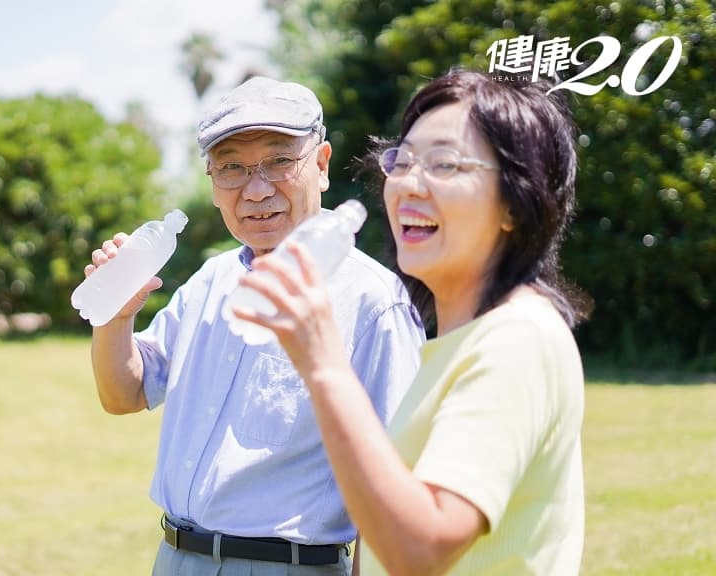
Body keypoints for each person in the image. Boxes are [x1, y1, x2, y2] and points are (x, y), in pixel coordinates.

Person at [232, 69, 591, 575]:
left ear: (516, 201)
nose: (407, 184)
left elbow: (421, 549)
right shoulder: (458, 341)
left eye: (445, 164)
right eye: (402, 160)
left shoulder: (517, 339)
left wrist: (324, 364)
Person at [83, 76, 425, 575]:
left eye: (279, 161)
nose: (256, 189)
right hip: (176, 559)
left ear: (323, 165)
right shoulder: (209, 282)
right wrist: (115, 319)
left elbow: (395, 484)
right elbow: (124, 395)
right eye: (231, 169)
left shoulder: (374, 301)